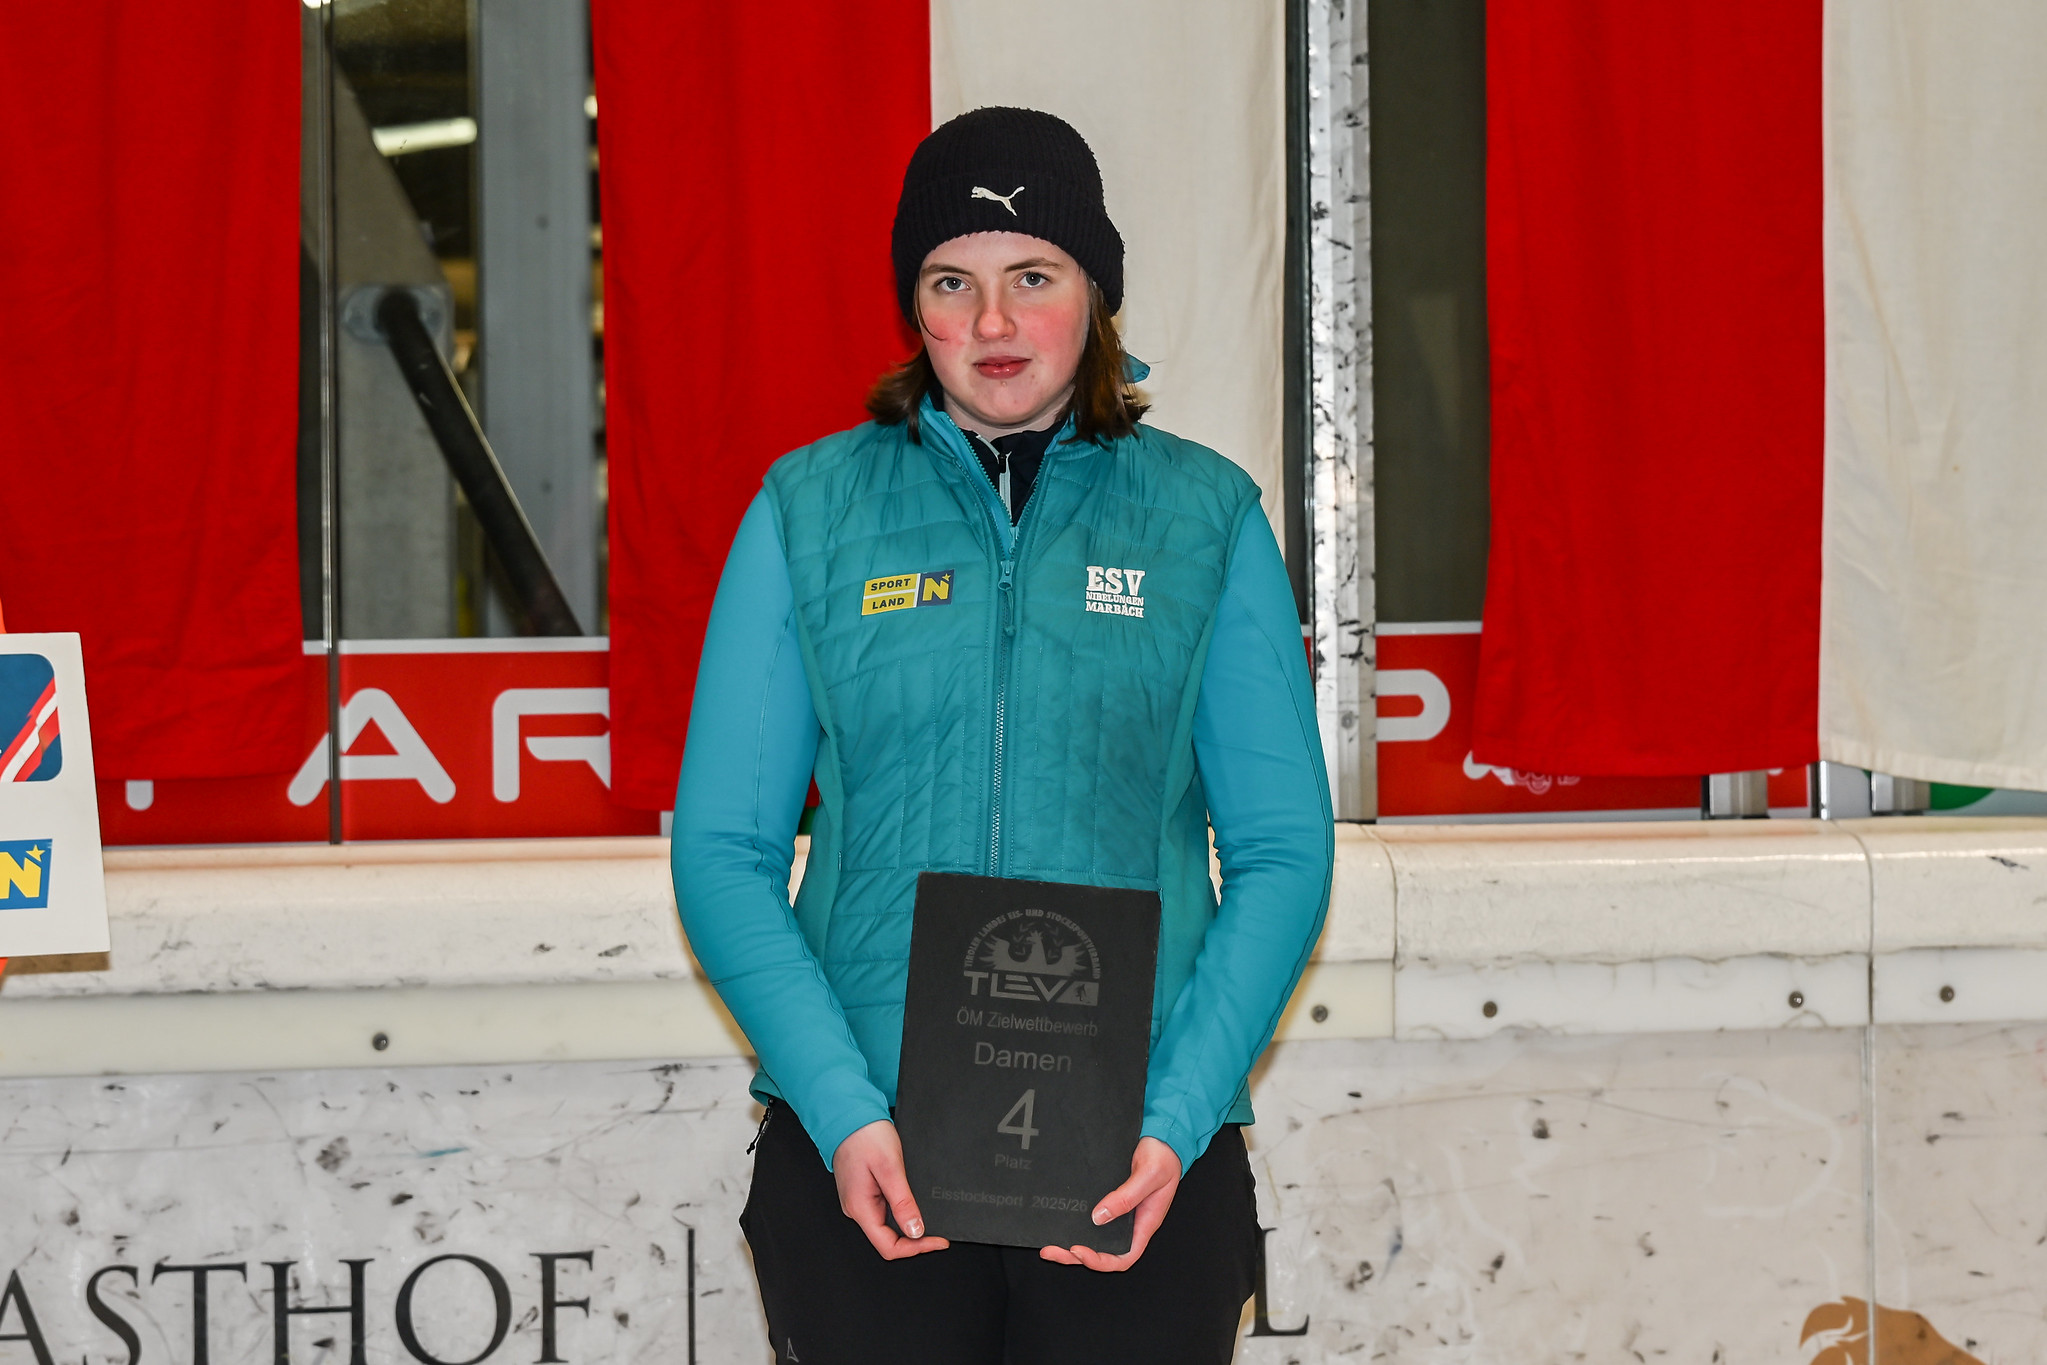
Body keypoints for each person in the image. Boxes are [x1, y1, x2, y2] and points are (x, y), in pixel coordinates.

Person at [672, 107, 1332, 1365]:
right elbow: (723, 852)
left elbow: (1283, 855)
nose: (991, 324)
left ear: (1095, 293)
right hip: (867, 1159)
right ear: (912, 307)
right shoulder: (806, 510)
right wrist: (839, 1110)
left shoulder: (1207, 517)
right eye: (951, 283)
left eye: (1032, 278)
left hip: (1133, 1158)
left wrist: (1174, 1118)